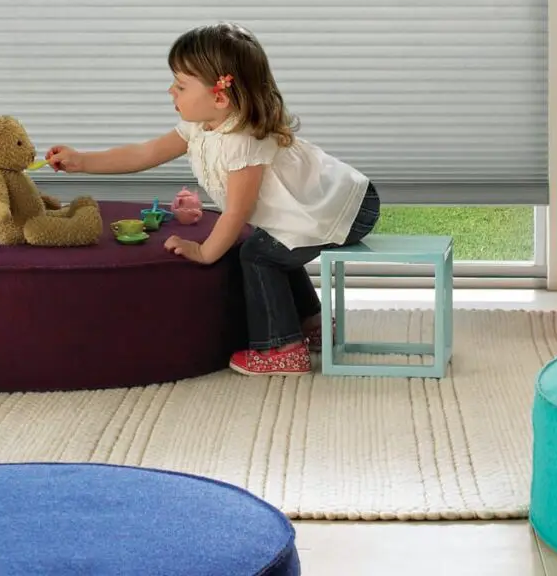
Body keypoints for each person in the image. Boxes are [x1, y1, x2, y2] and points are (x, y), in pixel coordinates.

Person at [46, 22, 380, 377]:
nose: (170, 91)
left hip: (345, 208)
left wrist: (205, 252)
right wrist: (82, 161)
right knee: (270, 242)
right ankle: (309, 322)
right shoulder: (200, 125)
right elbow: (144, 153)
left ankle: (283, 348)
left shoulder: (243, 140)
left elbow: (239, 210)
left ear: (219, 96)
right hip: (317, 207)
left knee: (257, 252)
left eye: (180, 85)